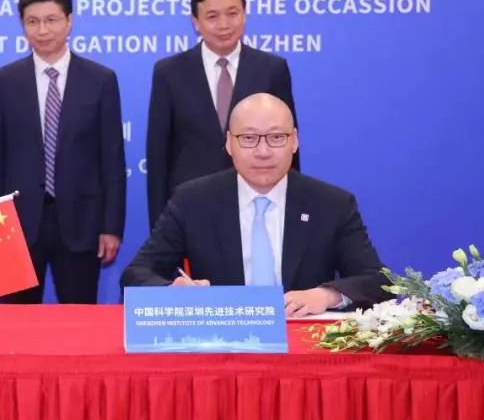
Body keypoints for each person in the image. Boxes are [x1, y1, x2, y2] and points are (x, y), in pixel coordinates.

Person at [122, 93, 389, 315]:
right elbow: (136, 274)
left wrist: (325, 295)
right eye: (249, 139)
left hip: (303, 341)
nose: (263, 152)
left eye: (276, 137)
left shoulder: (331, 204)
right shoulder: (193, 201)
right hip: (223, 342)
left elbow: (379, 281)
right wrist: (172, 292)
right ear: (229, 143)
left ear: (294, 141)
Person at [0, 0, 126, 304]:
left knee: (79, 320)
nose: (42, 30)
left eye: (51, 20)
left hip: (82, 223)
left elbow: (112, 159)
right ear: (22, 25)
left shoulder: (100, 80)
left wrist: (111, 226)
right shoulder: (4, 81)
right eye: (32, 21)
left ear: (69, 21)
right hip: (15, 224)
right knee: (15, 321)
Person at [146, 0, 299, 230]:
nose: (224, 24)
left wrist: (291, 209)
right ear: (196, 22)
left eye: (232, 13)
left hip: (259, 202)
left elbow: (287, 144)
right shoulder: (169, 72)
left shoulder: (271, 69)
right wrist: (160, 225)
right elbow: (158, 155)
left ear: (244, 15)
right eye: (212, 16)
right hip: (190, 208)